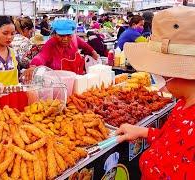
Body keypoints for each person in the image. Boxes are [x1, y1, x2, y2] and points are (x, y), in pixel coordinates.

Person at [118, 6, 195, 180]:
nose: (158, 80)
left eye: (159, 72)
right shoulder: (183, 104)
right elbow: (172, 139)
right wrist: (143, 132)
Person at [30, 19, 99, 74]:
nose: (65, 39)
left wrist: (93, 52)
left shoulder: (74, 38)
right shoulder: (51, 43)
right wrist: (33, 67)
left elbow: (85, 45)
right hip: (59, 83)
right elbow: (41, 56)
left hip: (76, 78)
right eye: (61, 35)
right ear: (54, 34)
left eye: (68, 35)